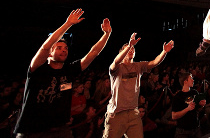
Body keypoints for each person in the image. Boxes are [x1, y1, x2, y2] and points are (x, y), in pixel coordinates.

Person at [14, 8, 112, 138]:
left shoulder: (69, 70)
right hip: (32, 131)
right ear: (50, 53)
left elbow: (93, 53)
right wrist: (68, 24)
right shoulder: (38, 68)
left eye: (66, 48)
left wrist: (106, 35)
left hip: (60, 130)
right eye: (58, 48)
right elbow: (45, 47)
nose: (64, 50)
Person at [102, 33, 174, 138]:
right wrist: (129, 46)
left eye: (133, 49)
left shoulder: (138, 66)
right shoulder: (117, 68)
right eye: (128, 49)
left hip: (133, 113)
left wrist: (164, 52)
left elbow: (154, 62)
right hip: (116, 114)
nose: (131, 50)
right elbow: (116, 61)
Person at [171, 73, 206, 138]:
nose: (193, 80)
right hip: (183, 132)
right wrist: (187, 109)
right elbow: (174, 116)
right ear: (185, 81)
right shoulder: (178, 97)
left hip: (196, 129)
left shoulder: (194, 92)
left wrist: (201, 105)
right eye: (191, 78)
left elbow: (197, 110)